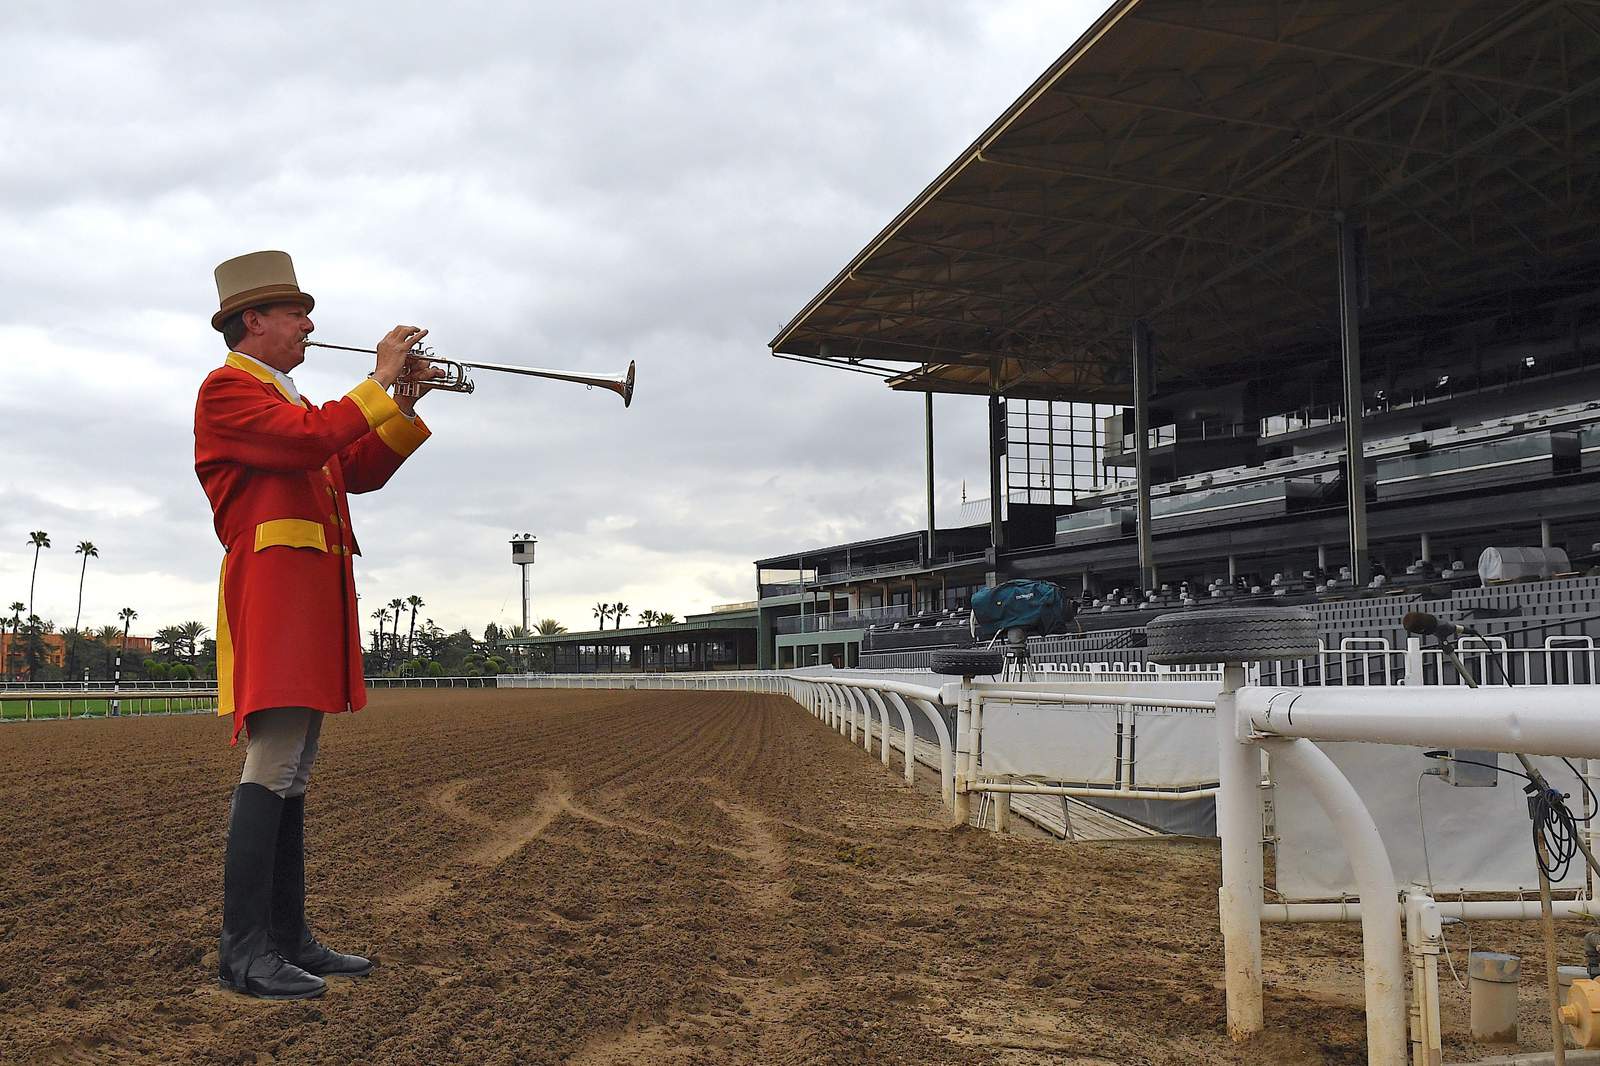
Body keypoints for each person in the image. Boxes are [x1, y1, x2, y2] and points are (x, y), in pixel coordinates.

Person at [194, 250, 439, 999]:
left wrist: (401, 404)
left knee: (294, 769)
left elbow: (352, 468)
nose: (308, 325)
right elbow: (310, 441)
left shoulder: (289, 402)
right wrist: (377, 381)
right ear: (253, 321)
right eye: (296, 313)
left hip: (308, 596)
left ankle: (286, 937)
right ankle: (244, 952)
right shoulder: (228, 390)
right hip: (275, 597)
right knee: (272, 762)